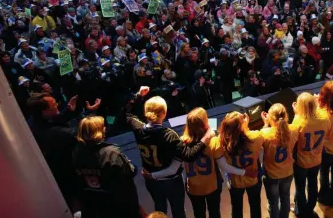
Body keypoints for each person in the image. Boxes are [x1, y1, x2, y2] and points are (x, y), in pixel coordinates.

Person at [124, 90, 212, 218]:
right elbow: (189, 155)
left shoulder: (138, 128)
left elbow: (126, 113)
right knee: (178, 212)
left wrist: (138, 95)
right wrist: (206, 138)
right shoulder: (169, 135)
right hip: (172, 182)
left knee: (159, 210)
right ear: (164, 114)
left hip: (151, 181)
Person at [181, 108, 252, 218]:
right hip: (212, 186)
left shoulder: (182, 141)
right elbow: (224, 166)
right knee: (214, 212)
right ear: (205, 124)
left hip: (193, 188)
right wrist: (244, 172)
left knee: (199, 214)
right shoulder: (214, 141)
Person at [71, 116, 141, 218]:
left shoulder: (76, 152)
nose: (105, 128)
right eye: (103, 126)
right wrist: (130, 164)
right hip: (122, 207)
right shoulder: (112, 152)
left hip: (97, 207)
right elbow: (131, 172)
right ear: (97, 131)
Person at [217, 112, 264, 218]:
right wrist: (246, 127)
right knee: (255, 207)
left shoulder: (221, 141)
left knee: (236, 209)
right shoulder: (256, 136)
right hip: (253, 179)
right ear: (242, 125)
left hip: (235, 182)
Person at [291, 92, 330, 217]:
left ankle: (300, 211)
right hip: (317, 159)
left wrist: (296, 114)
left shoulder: (298, 121)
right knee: (313, 184)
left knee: (300, 187)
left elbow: (293, 139)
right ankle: (310, 209)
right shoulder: (324, 119)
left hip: (302, 162)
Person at [260, 104, 299, 218]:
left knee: (273, 202)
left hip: (272, 175)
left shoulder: (265, 133)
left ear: (271, 118)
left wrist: (266, 124)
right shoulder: (294, 130)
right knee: (285, 197)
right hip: (287, 172)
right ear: (286, 115)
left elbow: (261, 141)